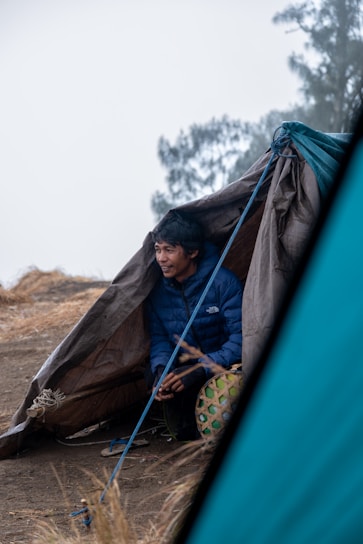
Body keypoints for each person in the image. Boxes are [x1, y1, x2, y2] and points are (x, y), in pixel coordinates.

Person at [146, 210, 243, 440]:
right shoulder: (157, 293)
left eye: (169, 250)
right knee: (153, 377)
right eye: (158, 249)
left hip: (225, 368)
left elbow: (241, 340)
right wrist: (162, 371)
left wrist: (200, 368)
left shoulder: (223, 283)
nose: (161, 258)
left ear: (192, 252)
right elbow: (160, 340)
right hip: (185, 371)